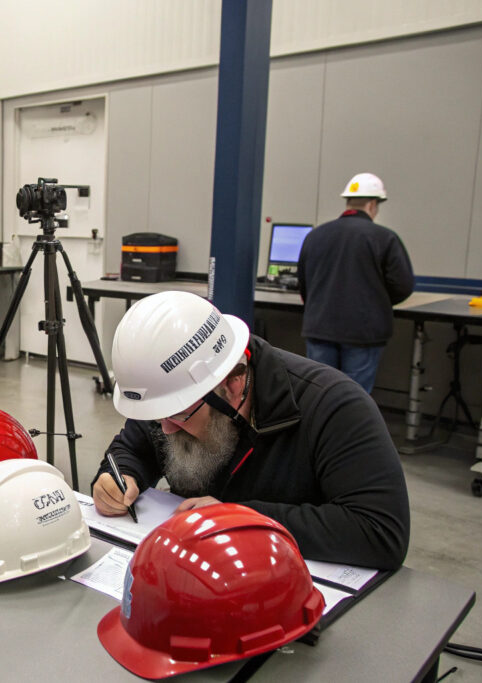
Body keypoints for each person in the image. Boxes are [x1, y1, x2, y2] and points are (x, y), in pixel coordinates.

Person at [92, 290, 410, 571]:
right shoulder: (178, 396)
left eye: (177, 415)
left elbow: (379, 531)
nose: (164, 429)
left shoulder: (334, 407)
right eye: (157, 415)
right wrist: (119, 476)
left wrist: (240, 518)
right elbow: (132, 448)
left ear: (233, 383)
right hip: (192, 573)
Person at [297, 172, 415, 393]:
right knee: (354, 398)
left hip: (319, 328)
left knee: (318, 394)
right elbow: (403, 286)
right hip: (363, 331)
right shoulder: (384, 238)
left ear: (348, 202)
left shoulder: (315, 235)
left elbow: (303, 282)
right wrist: (377, 301)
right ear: (372, 205)